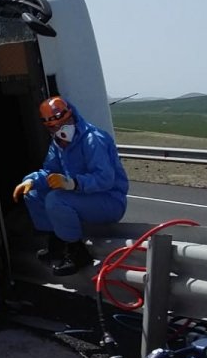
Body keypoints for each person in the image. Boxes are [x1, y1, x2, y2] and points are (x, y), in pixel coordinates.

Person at [12, 96, 129, 276]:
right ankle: (57, 244)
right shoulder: (58, 144)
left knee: (56, 199)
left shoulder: (93, 139)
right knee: (34, 194)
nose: (60, 129)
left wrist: (73, 183)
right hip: (85, 196)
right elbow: (49, 171)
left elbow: (105, 179)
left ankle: (77, 253)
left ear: (71, 116)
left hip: (110, 200)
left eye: (63, 123)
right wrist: (31, 180)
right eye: (54, 126)